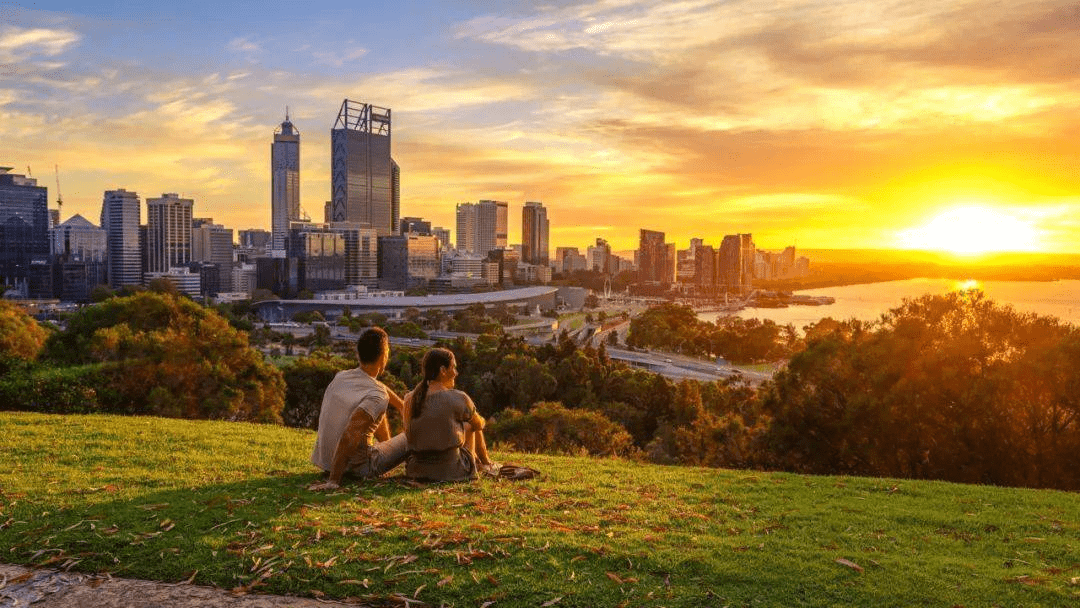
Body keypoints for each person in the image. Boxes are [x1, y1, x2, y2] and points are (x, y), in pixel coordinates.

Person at [309, 327, 407, 490]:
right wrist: (334, 481)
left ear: (358, 354)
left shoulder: (342, 376)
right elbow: (350, 434)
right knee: (413, 434)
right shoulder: (376, 396)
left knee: (372, 407)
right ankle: (423, 470)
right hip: (359, 468)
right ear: (384, 357)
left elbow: (377, 387)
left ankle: (386, 446)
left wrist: (400, 405)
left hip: (325, 462)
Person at [404, 348, 499, 482]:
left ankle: (484, 464)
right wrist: (481, 419)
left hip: (416, 470)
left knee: (463, 426)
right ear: (443, 370)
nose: (456, 372)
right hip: (451, 472)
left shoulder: (409, 398)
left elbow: (409, 433)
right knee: (470, 426)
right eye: (453, 367)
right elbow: (478, 424)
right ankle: (486, 464)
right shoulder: (458, 397)